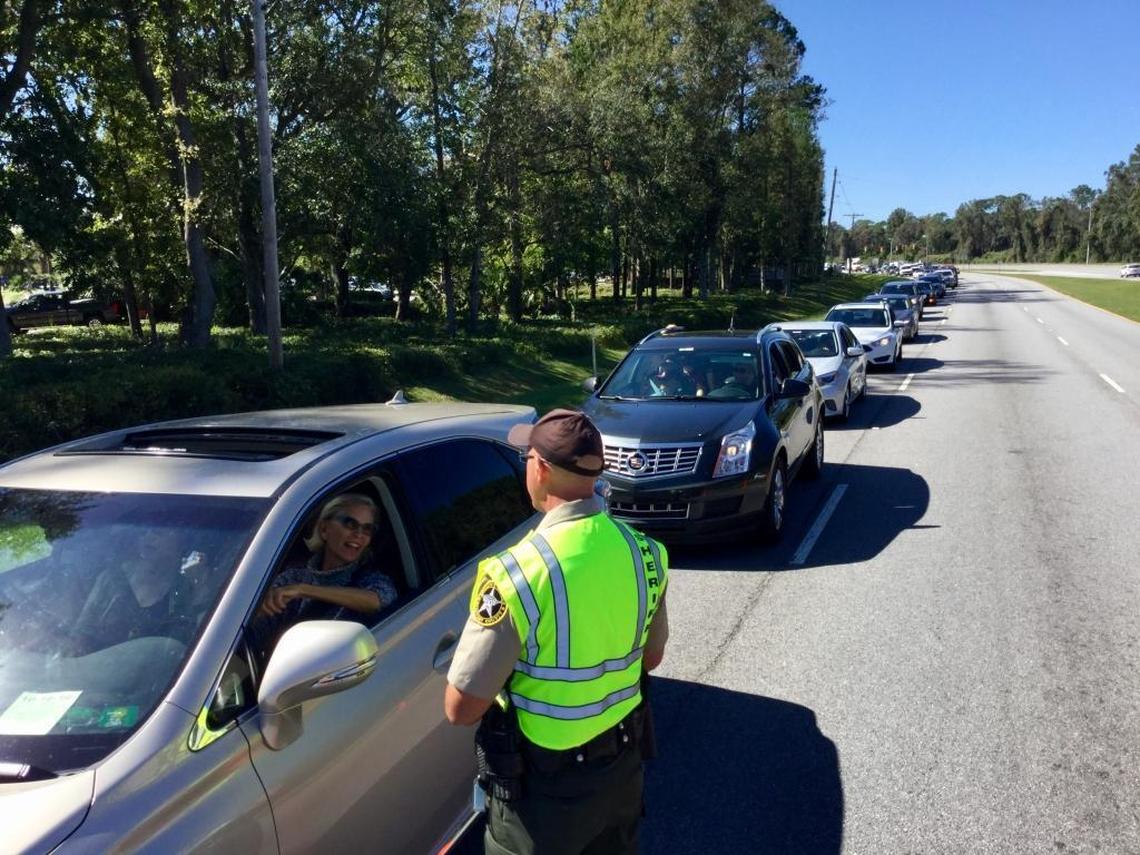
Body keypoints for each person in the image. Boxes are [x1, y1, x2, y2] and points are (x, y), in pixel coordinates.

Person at [444, 409, 670, 855]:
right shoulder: (647, 552)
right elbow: (652, 657)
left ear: (540, 468)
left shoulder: (514, 573)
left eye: (528, 457)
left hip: (543, 797)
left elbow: (461, 707)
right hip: (621, 773)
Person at [257, 493, 398, 624]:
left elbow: (377, 601)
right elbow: (259, 629)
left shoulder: (371, 579)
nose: (359, 534)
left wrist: (304, 590)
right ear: (324, 529)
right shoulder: (292, 578)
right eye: (350, 524)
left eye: (367, 529)